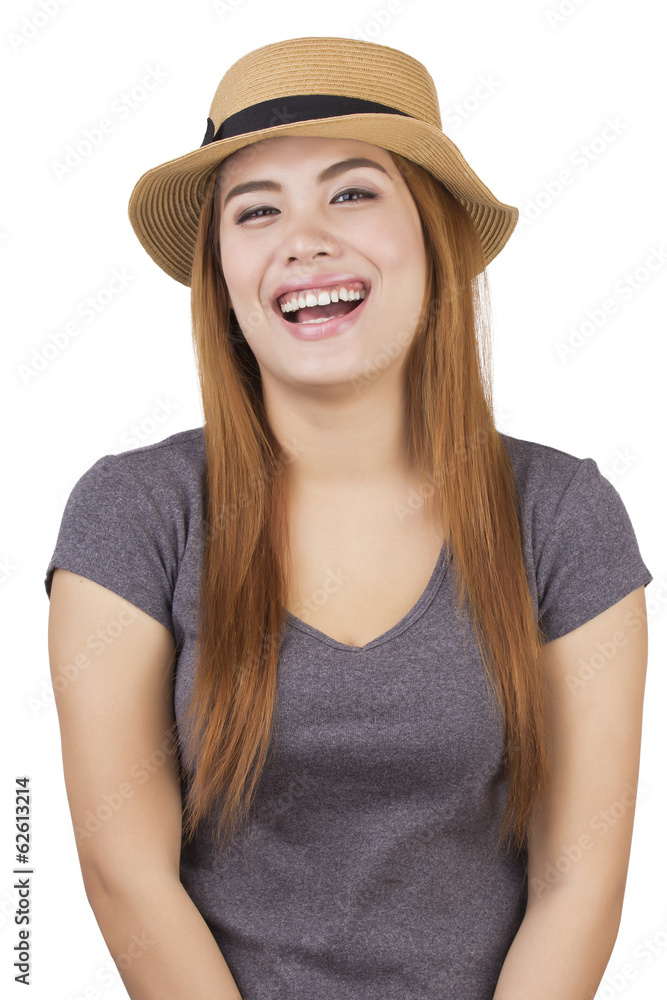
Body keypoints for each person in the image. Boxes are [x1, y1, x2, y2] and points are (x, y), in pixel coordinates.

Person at [45, 36, 652, 1000]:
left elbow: (579, 884)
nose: (304, 238)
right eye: (256, 210)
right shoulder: (134, 514)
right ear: (223, 269)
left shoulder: (564, 516)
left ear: (434, 232)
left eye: (351, 192)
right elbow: (126, 875)